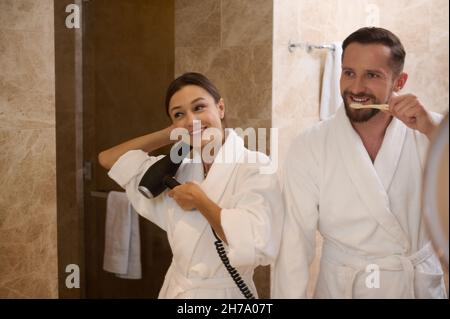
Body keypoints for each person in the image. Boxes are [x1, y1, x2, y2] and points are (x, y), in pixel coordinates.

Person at [272, 27, 447, 299]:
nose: (355, 88)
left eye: (372, 75)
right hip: (344, 289)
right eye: (349, 72)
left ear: (399, 82)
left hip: (415, 286)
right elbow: (294, 243)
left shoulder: (428, 132)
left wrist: (433, 132)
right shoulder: (310, 145)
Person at [99, 72, 283, 298]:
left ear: (221, 108)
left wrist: (201, 201)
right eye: (179, 114)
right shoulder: (179, 168)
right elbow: (108, 159)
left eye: (199, 108)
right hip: (178, 290)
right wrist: (170, 134)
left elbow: (258, 243)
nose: (191, 120)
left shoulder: (255, 166)